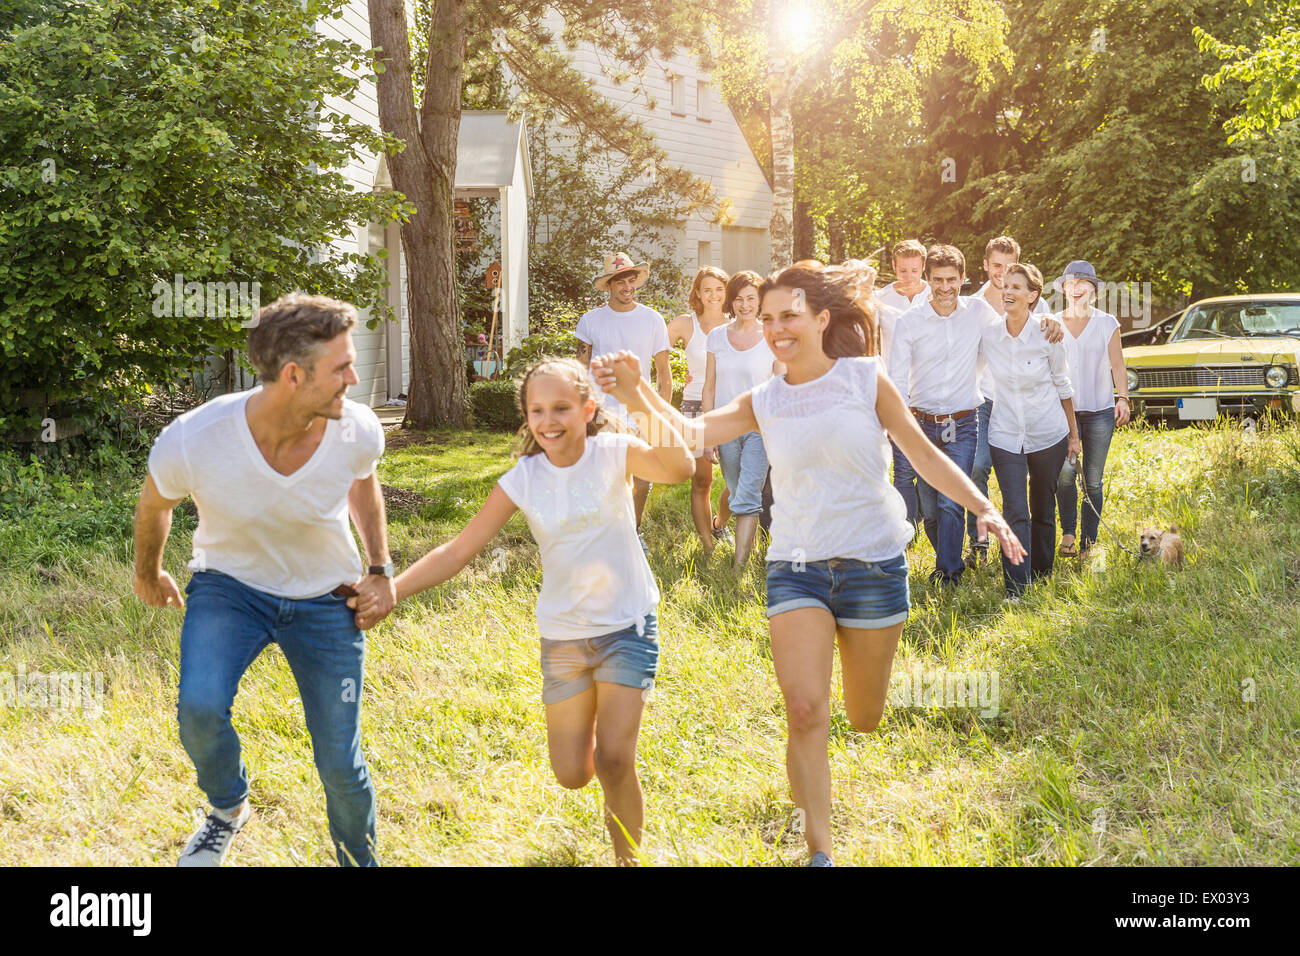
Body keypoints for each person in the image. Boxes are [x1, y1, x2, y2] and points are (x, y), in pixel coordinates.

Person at [591, 266, 1025, 866]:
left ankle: (825, 764)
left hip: (874, 563)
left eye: (787, 315)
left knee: (864, 716)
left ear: (823, 319)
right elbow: (690, 433)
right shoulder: (765, 399)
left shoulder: (865, 380)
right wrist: (639, 392)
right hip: (796, 566)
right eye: (767, 318)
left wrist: (985, 508)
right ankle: (819, 851)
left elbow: (923, 455)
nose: (775, 329)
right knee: (804, 710)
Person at [351, 358, 693, 865]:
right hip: (564, 638)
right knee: (572, 773)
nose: (548, 420)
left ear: (588, 408)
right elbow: (458, 549)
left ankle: (629, 858)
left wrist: (638, 393)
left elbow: (681, 469)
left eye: (561, 408)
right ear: (527, 417)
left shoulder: (613, 453)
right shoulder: (524, 478)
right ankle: (600, 739)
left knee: (617, 760)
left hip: (628, 626)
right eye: (537, 410)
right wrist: (392, 591)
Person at [132, 293, 394, 867]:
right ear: (294, 375)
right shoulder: (196, 437)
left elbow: (363, 484)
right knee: (199, 708)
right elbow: (154, 506)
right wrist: (148, 572)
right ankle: (227, 808)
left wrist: (379, 569)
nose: (355, 376)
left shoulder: (357, 428)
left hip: (328, 599)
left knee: (340, 765)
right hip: (231, 588)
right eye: (342, 367)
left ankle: (359, 862)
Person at [980, 263, 1081, 599]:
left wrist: (1074, 434)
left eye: (1016, 287)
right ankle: (1016, 587)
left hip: (1047, 432)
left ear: (1033, 296)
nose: (1007, 292)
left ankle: (1041, 575)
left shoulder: (1047, 333)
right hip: (1005, 435)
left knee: (1042, 507)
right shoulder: (989, 333)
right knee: (1014, 510)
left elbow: (1062, 384)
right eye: (1005, 286)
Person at [966, 236, 1051, 567]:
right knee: (975, 466)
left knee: (1027, 477)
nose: (1001, 274)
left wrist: (1054, 322)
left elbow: (1048, 330)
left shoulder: (1034, 301)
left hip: (1022, 402)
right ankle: (980, 539)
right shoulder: (972, 305)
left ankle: (1027, 540)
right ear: (986, 265)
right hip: (983, 399)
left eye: (1008, 265)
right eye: (996, 266)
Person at [575, 252, 673, 528]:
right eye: (620, 282)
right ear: (609, 285)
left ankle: (634, 531)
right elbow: (580, 371)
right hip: (603, 412)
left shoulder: (653, 320)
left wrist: (661, 413)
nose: (627, 287)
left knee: (642, 480)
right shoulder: (590, 321)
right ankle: (605, 532)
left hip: (641, 410)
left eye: (631, 280)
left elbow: (664, 374)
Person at [703, 270, 782, 568]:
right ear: (731, 302)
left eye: (751, 298)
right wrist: (707, 435)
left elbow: (779, 386)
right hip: (725, 426)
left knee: (748, 497)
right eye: (739, 299)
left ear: (760, 300)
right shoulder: (716, 337)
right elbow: (709, 387)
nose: (745, 305)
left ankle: (738, 569)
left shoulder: (773, 335)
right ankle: (727, 528)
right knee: (737, 491)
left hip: (759, 428)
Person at [1053, 260, 1130, 558]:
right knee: (1064, 474)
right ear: (1062, 289)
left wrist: (1122, 398)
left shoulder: (1106, 323)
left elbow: (1118, 364)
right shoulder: (1051, 323)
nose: (1076, 290)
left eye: (1083, 285)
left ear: (1094, 292)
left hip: (1099, 411)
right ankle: (1069, 535)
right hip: (1064, 413)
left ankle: (1089, 543)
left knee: (1093, 480)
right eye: (1071, 285)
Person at [668, 266, 730, 557]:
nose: (713, 295)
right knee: (702, 481)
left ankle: (721, 522)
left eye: (719, 289)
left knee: (736, 483)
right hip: (694, 406)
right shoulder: (684, 323)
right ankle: (707, 545)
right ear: (698, 293)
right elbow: (654, 350)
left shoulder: (737, 321)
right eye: (707, 289)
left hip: (730, 407)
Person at [875, 240, 930, 529]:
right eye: (903, 269)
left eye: (914, 269)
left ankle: (926, 514)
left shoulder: (935, 294)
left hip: (928, 384)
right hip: (894, 387)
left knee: (925, 453)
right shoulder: (881, 299)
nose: (908, 276)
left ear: (923, 267)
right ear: (894, 266)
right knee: (902, 461)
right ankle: (907, 525)